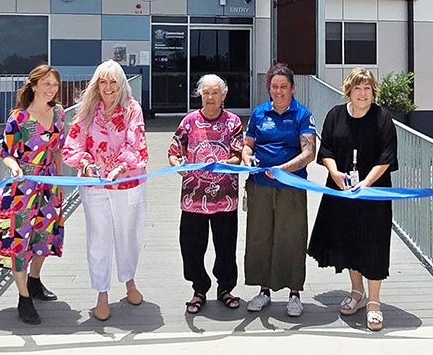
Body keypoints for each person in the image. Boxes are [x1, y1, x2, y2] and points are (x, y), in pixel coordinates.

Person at [0, 64, 66, 325]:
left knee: (44, 235)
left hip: (48, 184)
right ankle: (23, 297)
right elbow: (6, 153)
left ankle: (35, 281)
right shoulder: (19, 118)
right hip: (22, 188)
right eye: (46, 83)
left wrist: (58, 182)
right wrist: (14, 165)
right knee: (19, 241)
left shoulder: (58, 113)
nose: (51, 89)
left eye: (55, 84)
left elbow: (57, 149)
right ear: (34, 85)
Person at [307, 67, 398, 331]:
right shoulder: (335, 115)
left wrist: (366, 183)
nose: (362, 93)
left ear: (373, 91)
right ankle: (357, 292)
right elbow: (326, 149)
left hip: (373, 193)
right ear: (349, 90)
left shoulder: (383, 118)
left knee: (374, 243)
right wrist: (335, 174)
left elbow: (387, 156)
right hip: (342, 191)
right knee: (349, 241)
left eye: (367, 88)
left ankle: (374, 303)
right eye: (357, 88)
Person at [62, 59, 148, 321]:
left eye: (113, 81)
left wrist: (121, 167)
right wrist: (86, 163)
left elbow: (136, 142)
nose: (108, 87)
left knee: (128, 234)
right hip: (95, 184)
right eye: (103, 81)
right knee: (98, 237)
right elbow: (73, 144)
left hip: (127, 182)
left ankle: (129, 282)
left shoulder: (132, 109)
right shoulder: (87, 111)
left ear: (121, 83)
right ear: (96, 84)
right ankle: (101, 293)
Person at [242, 63, 316, 317]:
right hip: (260, 186)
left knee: (292, 237)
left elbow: (309, 152)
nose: (279, 91)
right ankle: (264, 290)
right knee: (260, 236)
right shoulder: (259, 114)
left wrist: (284, 169)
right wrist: (247, 158)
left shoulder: (302, 114)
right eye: (275, 86)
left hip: (291, 186)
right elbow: (248, 145)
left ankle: (294, 293)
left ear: (292, 88)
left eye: (284, 86)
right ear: (269, 88)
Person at [167, 74, 244, 314]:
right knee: (191, 247)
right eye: (206, 93)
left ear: (224, 95)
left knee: (226, 247)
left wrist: (222, 163)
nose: (210, 97)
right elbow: (173, 151)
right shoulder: (190, 121)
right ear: (200, 94)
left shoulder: (233, 122)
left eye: (215, 93)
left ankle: (225, 289)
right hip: (193, 198)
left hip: (225, 197)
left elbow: (238, 154)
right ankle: (199, 288)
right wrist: (177, 164)